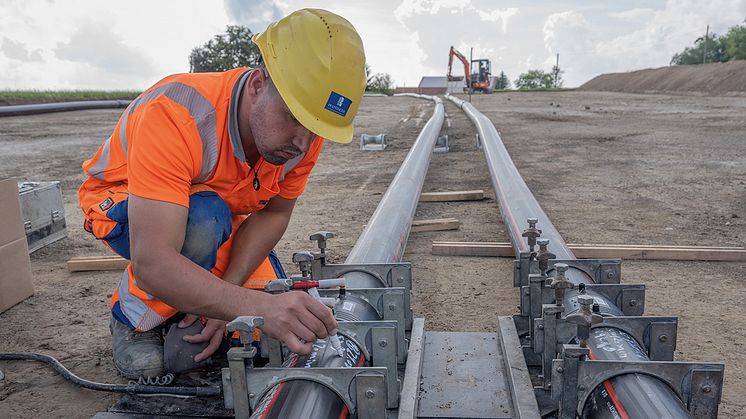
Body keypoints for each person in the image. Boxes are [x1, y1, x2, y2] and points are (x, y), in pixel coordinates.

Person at [77, 8, 366, 379]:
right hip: (128, 200)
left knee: (261, 334)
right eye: (294, 118)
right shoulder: (175, 114)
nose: (303, 142)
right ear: (259, 84)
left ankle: (192, 298)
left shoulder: (303, 135)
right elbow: (153, 261)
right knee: (203, 224)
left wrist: (229, 297)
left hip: (219, 212)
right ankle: (132, 319)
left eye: (315, 128)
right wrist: (257, 306)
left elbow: (274, 214)